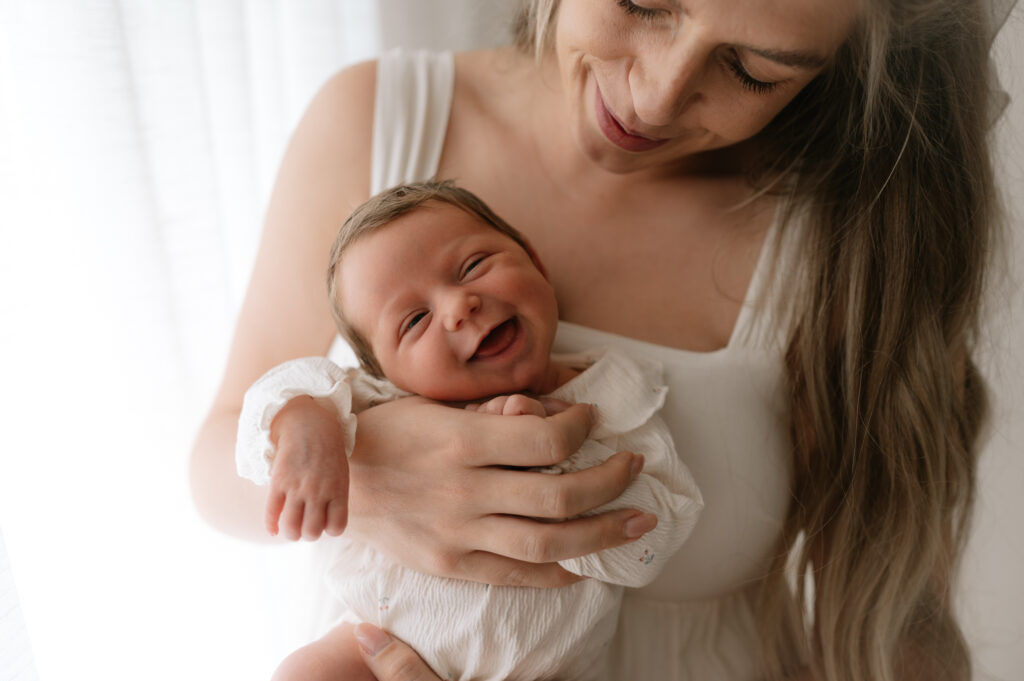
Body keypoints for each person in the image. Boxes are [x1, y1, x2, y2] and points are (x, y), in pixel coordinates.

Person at [189, 0, 1013, 679]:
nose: (653, 98)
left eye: (753, 70)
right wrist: (375, 473)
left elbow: (896, 613)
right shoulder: (377, 118)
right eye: (643, 3)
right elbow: (221, 456)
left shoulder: (849, 231)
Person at [235, 180, 703, 681]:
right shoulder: (384, 402)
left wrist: (555, 461)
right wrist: (308, 429)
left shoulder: (617, 396)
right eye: (415, 320)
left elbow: (654, 546)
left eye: (473, 267)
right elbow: (280, 392)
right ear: (383, 373)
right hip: (375, 652)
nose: (459, 306)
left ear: (535, 263)